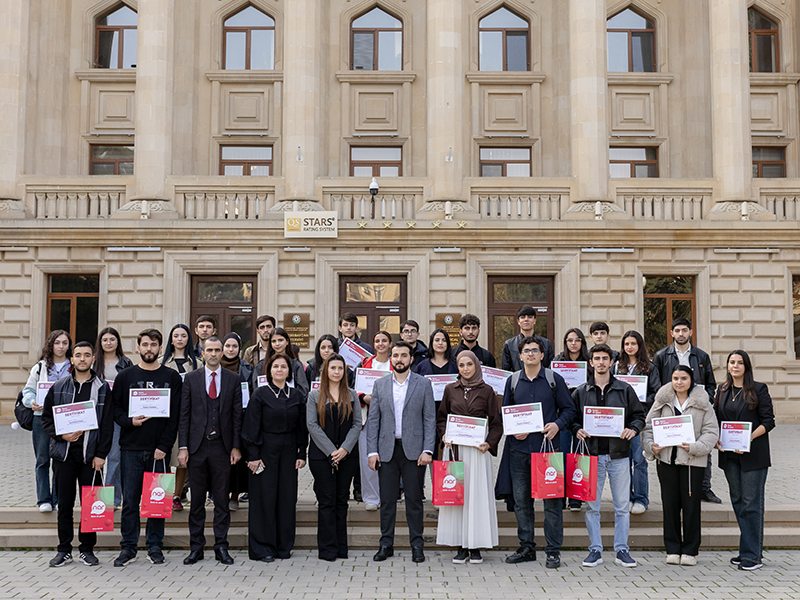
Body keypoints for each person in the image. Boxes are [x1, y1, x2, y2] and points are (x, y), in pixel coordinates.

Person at [502, 335, 576, 569]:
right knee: (522, 503)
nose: (531, 354)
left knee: (552, 504)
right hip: (519, 450)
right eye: (527, 350)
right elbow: (506, 411)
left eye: (535, 350)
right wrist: (514, 432)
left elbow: (569, 410)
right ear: (520, 355)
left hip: (548, 452)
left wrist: (557, 425)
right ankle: (527, 547)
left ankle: (553, 551)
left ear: (543, 355)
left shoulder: (554, 379)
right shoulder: (512, 381)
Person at [110, 329, 182, 567]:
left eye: (153, 345)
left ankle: (154, 546)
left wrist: (164, 445)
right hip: (130, 448)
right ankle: (128, 547)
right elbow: (115, 410)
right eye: (145, 344)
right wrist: (130, 421)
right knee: (130, 501)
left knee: (157, 501)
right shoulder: (125, 377)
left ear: (161, 349)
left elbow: (175, 417)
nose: (149, 348)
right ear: (137, 347)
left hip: (158, 450)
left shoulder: (171, 377)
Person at [571, 343, 645, 569]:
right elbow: (571, 417)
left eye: (605, 358)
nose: (601, 362)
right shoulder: (581, 391)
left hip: (619, 456)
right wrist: (576, 429)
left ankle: (622, 550)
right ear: (591, 362)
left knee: (622, 506)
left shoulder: (624, 389)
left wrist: (633, 429)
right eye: (597, 359)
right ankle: (595, 550)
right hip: (592, 457)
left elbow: (639, 416)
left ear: (611, 362)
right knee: (592, 507)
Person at [42, 341, 113, 567]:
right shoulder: (59, 386)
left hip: (91, 458)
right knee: (64, 504)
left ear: (94, 359)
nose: (82, 359)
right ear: (71, 359)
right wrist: (61, 436)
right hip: (63, 456)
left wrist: (101, 454)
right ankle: (64, 549)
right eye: (78, 355)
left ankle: (87, 549)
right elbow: (46, 419)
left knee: (91, 504)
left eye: (87, 355)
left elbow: (108, 424)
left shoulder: (102, 388)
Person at [641, 365, 719, 566]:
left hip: (693, 462)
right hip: (667, 461)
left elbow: (711, 431)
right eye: (675, 378)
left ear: (691, 380)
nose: (679, 382)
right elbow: (648, 427)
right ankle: (673, 548)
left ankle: (691, 551)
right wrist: (651, 446)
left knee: (691, 506)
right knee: (670, 505)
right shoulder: (662, 401)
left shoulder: (702, 402)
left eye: (683, 378)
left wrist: (695, 447)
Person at [367, 341, 436, 564]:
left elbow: (429, 419)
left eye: (403, 355)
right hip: (387, 451)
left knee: (414, 501)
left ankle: (417, 545)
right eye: (395, 355)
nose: (399, 359)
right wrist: (372, 452)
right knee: (387, 501)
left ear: (411, 359)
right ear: (391, 358)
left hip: (414, 452)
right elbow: (374, 420)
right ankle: (386, 544)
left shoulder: (423, 384)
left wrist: (428, 449)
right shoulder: (380, 385)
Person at [178, 336, 243, 566]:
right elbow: (184, 414)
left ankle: (221, 547)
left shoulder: (233, 379)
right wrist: (183, 447)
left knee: (222, 502)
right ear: (202, 353)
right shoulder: (191, 379)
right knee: (196, 501)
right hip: (196, 447)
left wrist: (236, 446)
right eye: (210, 350)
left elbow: (237, 416)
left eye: (217, 350)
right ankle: (196, 548)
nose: (214, 353)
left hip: (222, 447)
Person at [436, 351, 502, 565]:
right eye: (461, 365)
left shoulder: (487, 391)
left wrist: (489, 442)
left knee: (476, 497)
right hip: (455, 450)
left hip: (476, 451)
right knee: (456, 497)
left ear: (476, 366)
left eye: (469, 364)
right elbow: (441, 418)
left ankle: (475, 546)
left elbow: (496, 423)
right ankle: (460, 546)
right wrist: (444, 434)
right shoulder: (450, 389)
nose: (465, 369)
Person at [713, 350, 775, 571]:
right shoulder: (722, 390)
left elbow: (769, 421)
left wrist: (748, 438)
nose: (735, 366)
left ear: (746, 366)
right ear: (728, 366)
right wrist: (716, 439)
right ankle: (747, 550)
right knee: (739, 502)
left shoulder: (758, 389)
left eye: (740, 363)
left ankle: (753, 556)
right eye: (732, 362)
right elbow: (716, 420)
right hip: (729, 455)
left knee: (751, 504)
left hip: (753, 456)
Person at [242, 353, 307, 562]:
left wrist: (301, 453)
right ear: (269, 371)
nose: (280, 370)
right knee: (264, 498)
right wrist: (252, 456)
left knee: (286, 498)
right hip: (264, 452)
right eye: (276, 366)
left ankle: (283, 546)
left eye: (284, 367)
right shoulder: (260, 394)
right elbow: (250, 427)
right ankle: (263, 548)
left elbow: (301, 428)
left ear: (289, 371)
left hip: (288, 451)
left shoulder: (296, 395)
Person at [652, 318, 721, 504]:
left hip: (696, 408)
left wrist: (705, 403)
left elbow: (711, 384)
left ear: (690, 332)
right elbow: (657, 385)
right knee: (673, 448)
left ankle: (704, 489)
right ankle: (676, 486)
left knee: (701, 447)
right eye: (677, 330)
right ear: (671, 333)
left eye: (684, 330)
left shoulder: (701, 356)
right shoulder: (661, 356)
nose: (681, 334)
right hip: (672, 408)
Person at [306, 354, 361, 561]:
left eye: (340, 368)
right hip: (322, 457)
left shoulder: (352, 395)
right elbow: (312, 425)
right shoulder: (314, 396)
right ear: (325, 371)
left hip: (348, 456)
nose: (337, 372)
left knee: (341, 500)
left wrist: (344, 449)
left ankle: (341, 548)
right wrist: (332, 451)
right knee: (326, 500)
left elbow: (357, 425)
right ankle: (327, 549)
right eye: (333, 368)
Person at [22, 329, 72, 512]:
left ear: (69, 345)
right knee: (42, 459)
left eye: (64, 343)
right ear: (51, 345)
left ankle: (58, 498)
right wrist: (31, 402)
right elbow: (28, 391)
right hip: (41, 418)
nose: (61, 346)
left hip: (65, 418)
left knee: (61, 460)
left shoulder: (73, 366)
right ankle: (44, 499)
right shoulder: (41, 367)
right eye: (57, 342)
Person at [612, 330, 661, 515]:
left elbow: (656, 393)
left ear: (639, 345)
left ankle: (641, 498)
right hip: (621, 421)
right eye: (626, 344)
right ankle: (627, 497)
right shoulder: (616, 367)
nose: (630, 347)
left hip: (640, 418)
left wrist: (639, 400)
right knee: (624, 460)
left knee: (639, 460)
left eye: (633, 343)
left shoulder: (649, 368)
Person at [92, 327, 133, 509]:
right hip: (95, 415)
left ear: (118, 342)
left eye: (112, 339)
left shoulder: (126, 362)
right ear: (100, 343)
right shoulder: (93, 362)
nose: (108, 343)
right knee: (95, 458)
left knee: (115, 458)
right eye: (105, 340)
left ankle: (112, 500)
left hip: (116, 415)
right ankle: (94, 498)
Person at [161, 324, 199, 513]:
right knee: (165, 458)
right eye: (176, 335)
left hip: (188, 416)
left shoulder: (197, 363)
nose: (179, 339)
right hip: (165, 416)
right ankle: (165, 496)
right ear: (171, 339)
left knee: (182, 458)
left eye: (183, 335)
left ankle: (177, 495)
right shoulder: (162, 361)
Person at [554, 327, 592, 512]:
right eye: (570, 340)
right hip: (562, 414)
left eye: (577, 340)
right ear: (566, 343)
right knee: (561, 454)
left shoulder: (589, 364)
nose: (573, 343)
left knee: (578, 457)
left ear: (582, 343)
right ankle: (560, 496)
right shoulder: (557, 362)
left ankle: (576, 498)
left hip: (583, 416)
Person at [356, 331, 394, 510]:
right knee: (367, 457)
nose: (380, 344)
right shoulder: (365, 364)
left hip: (390, 417)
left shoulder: (396, 364)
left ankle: (387, 495)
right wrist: (364, 398)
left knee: (389, 458)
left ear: (390, 344)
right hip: (368, 416)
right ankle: (371, 497)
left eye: (384, 341)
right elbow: (355, 390)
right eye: (377, 341)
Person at [220, 332, 254, 510]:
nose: (231, 349)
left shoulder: (248, 368)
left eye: (234, 346)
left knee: (238, 457)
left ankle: (235, 494)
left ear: (239, 349)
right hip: (219, 418)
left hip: (241, 416)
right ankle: (220, 493)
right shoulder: (213, 366)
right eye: (227, 346)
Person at [415, 328, 458, 460]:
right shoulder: (421, 366)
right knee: (431, 453)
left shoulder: (456, 365)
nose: (440, 343)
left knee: (450, 453)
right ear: (431, 343)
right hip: (428, 414)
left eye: (444, 340)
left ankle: (449, 480)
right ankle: (435, 480)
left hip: (450, 414)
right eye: (437, 340)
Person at [253, 328, 309, 399]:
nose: (277, 344)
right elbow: (256, 389)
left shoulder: (296, 364)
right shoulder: (261, 365)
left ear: (287, 342)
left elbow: (303, 390)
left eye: (280, 340)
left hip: (291, 405)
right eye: (274, 341)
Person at [502, 306, 554, 371]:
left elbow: (551, 368)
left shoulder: (546, 343)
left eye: (530, 317)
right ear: (518, 321)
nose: (526, 319)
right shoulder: (509, 344)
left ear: (535, 320)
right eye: (522, 317)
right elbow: (506, 371)